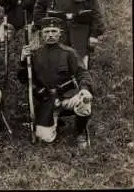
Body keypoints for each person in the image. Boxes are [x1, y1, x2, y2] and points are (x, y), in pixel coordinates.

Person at [18, 17, 94, 148]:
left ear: (60, 34)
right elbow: (24, 78)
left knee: (85, 99)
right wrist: (23, 59)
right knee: (44, 138)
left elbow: (82, 72)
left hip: (67, 96)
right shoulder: (35, 54)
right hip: (46, 100)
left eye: (54, 31)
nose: (50, 35)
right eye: (46, 32)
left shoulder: (69, 53)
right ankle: (55, 122)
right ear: (41, 34)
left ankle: (80, 132)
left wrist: (85, 87)